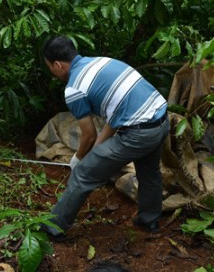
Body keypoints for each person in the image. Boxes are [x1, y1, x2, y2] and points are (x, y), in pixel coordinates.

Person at [40, 36, 169, 241]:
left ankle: (53, 227)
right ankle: (149, 219)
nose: (52, 72)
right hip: (161, 121)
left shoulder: (74, 88)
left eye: (50, 67)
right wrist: (95, 152)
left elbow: (89, 135)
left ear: (57, 64)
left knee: (83, 175)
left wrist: (79, 159)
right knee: (149, 171)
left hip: (139, 133)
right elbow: (113, 117)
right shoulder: (103, 61)